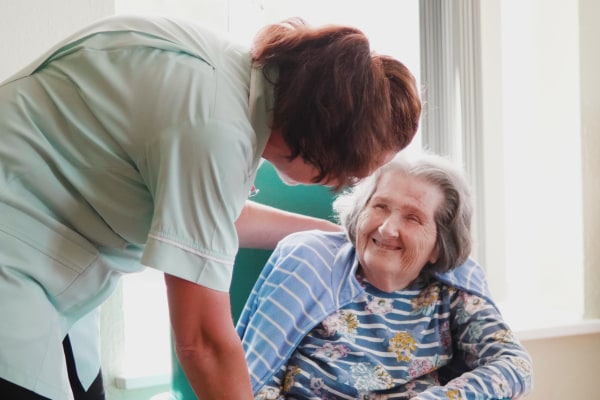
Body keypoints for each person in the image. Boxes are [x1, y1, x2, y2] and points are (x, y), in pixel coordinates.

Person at [0, 13, 422, 400]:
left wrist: (338, 237)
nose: (340, 183)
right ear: (323, 140)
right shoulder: (215, 130)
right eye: (348, 173)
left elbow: (211, 218)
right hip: (15, 261)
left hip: (50, 262)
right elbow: (201, 340)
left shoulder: (234, 81)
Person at [237, 153, 534, 399]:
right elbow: (253, 382)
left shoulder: (452, 284)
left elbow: (513, 364)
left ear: (438, 245)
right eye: (380, 206)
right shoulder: (309, 262)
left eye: (413, 217)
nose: (387, 229)